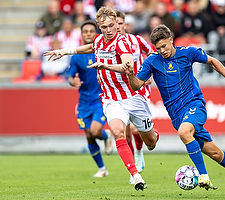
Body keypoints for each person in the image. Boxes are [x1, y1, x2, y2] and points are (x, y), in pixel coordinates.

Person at [123, 24, 225, 196]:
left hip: (195, 105)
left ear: (171, 40)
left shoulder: (188, 53)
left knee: (185, 132)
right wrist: (130, 74)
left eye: (164, 46)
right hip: (176, 115)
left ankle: (203, 175)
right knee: (215, 153)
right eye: (158, 48)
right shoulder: (152, 61)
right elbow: (136, 85)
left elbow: (212, 61)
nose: (162, 50)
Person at [44, 6, 159, 191]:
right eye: (104, 27)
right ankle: (135, 175)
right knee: (117, 132)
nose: (108, 30)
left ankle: (152, 137)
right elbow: (90, 47)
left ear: (116, 24)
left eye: (111, 26)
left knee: (151, 142)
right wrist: (65, 51)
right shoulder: (98, 40)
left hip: (132, 96)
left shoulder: (122, 43)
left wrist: (105, 66)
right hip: (111, 99)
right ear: (99, 26)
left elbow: (127, 66)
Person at [67, 20, 113, 177]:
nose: (88, 34)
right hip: (83, 101)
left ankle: (106, 136)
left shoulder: (103, 51)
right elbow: (70, 77)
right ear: (81, 35)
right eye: (85, 31)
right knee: (88, 135)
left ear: (97, 34)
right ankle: (102, 169)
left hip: (100, 99)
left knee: (95, 131)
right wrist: (74, 82)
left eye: (91, 31)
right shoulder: (77, 57)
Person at [115, 10, 156, 184]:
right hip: (118, 92)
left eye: (119, 23)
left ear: (125, 24)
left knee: (134, 130)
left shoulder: (137, 41)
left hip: (139, 90)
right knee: (124, 132)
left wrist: (151, 74)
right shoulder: (108, 45)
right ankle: (134, 170)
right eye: (113, 23)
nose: (116, 26)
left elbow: (154, 53)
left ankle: (139, 151)